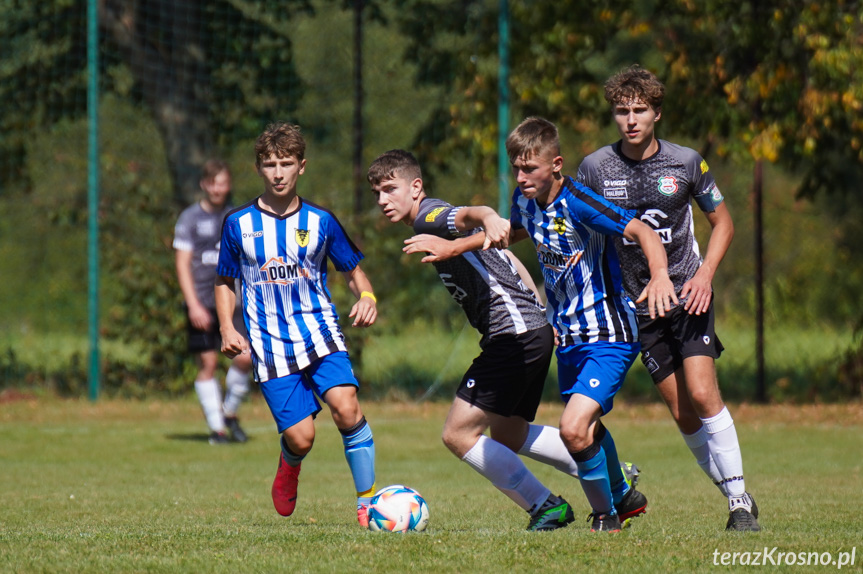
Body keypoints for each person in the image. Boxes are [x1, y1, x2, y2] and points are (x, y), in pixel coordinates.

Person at [411, 117, 675, 532]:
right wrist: (455, 247)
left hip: (609, 334)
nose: (521, 177)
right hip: (567, 336)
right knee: (587, 428)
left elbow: (641, 229)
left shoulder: (579, 202)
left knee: (573, 428)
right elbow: (511, 233)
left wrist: (659, 276)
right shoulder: (524, 200)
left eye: (529, 168)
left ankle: (605, 518)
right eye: (516, 167)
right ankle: (622, 496)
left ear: (556, 164)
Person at [575, 65, 760, 532]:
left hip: (687, 294)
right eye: (621, 111)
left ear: (657, 113)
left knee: (702, 393)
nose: (630, 120)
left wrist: (705, 276)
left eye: (639, 110)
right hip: (637, 307)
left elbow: (725, 224)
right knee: (682, 413)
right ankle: (737, 495)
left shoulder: (686, 162)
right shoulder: (595, 168)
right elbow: (579, 232)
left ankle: (739, 505)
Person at [215, 122, 378, 527]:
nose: (278, 172)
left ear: (301, 166)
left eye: (286, 163)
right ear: (259, 168)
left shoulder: (321, 221)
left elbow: (353, 271)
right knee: (302, 437)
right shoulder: (238, 224)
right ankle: (290, 463)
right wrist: (226, 328)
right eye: (270, 164)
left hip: (320, 333)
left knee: (346, 406)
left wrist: (368, 297)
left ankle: (368, 503)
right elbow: (224, 280)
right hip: (270, 346)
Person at [173, 159, 253, 444]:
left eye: (223, 182)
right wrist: (193, 304)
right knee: (207, 363)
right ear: (204, 185)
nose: (218, 188)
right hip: (203, 304)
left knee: (246, 359)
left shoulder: (238, 217)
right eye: (213, 183)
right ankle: (218, 429)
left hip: (235, 302)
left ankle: (229, 411)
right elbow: (182, 264)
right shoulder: (190, 219)